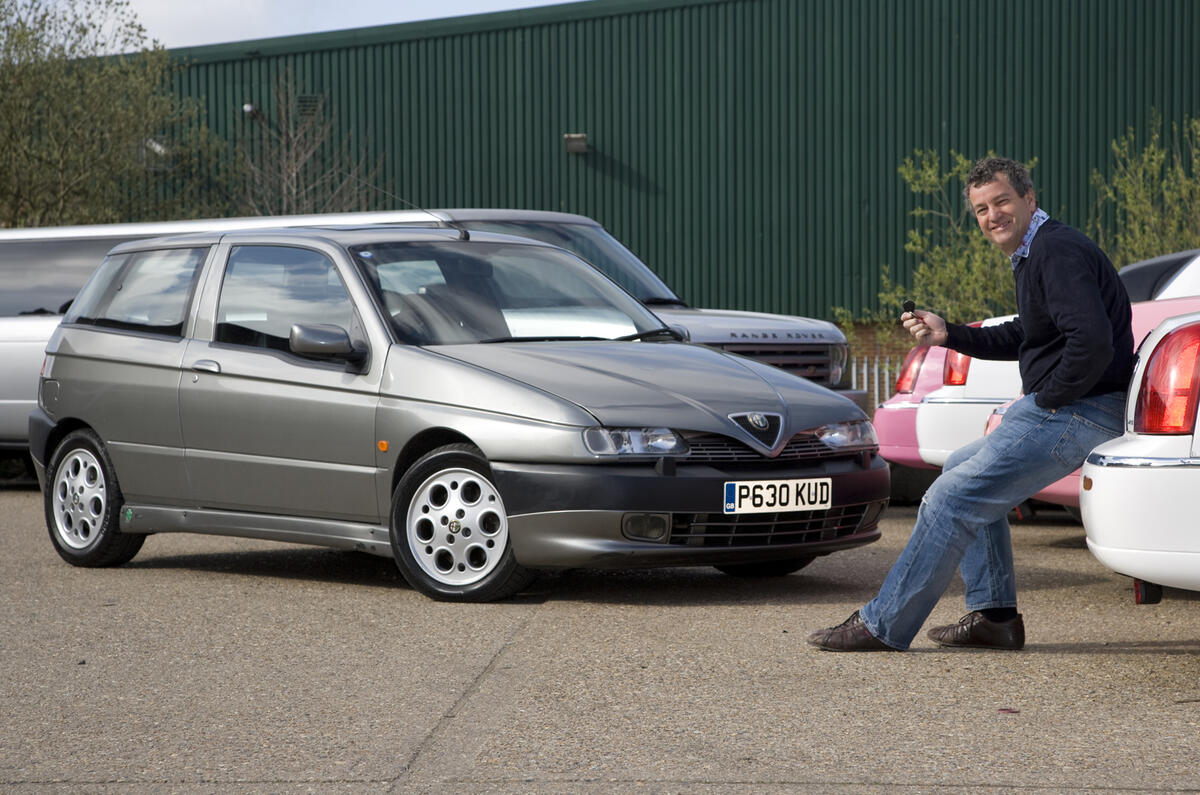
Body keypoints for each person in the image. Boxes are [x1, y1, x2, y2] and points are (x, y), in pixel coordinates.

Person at [807, 156, 1134, 652]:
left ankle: (882, 624)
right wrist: (949, 334)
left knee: (951, 498)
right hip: (1070, 405)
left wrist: (1046, 400)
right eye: (981, 209)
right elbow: (1033, 333)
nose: (992, 216)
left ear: (1029, 198)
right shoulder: (1036, 251)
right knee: (959, 468)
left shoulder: (1056, 251)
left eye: (1001, 201)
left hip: (1080, 410)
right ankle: (994, 616)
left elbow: (1092, 344)